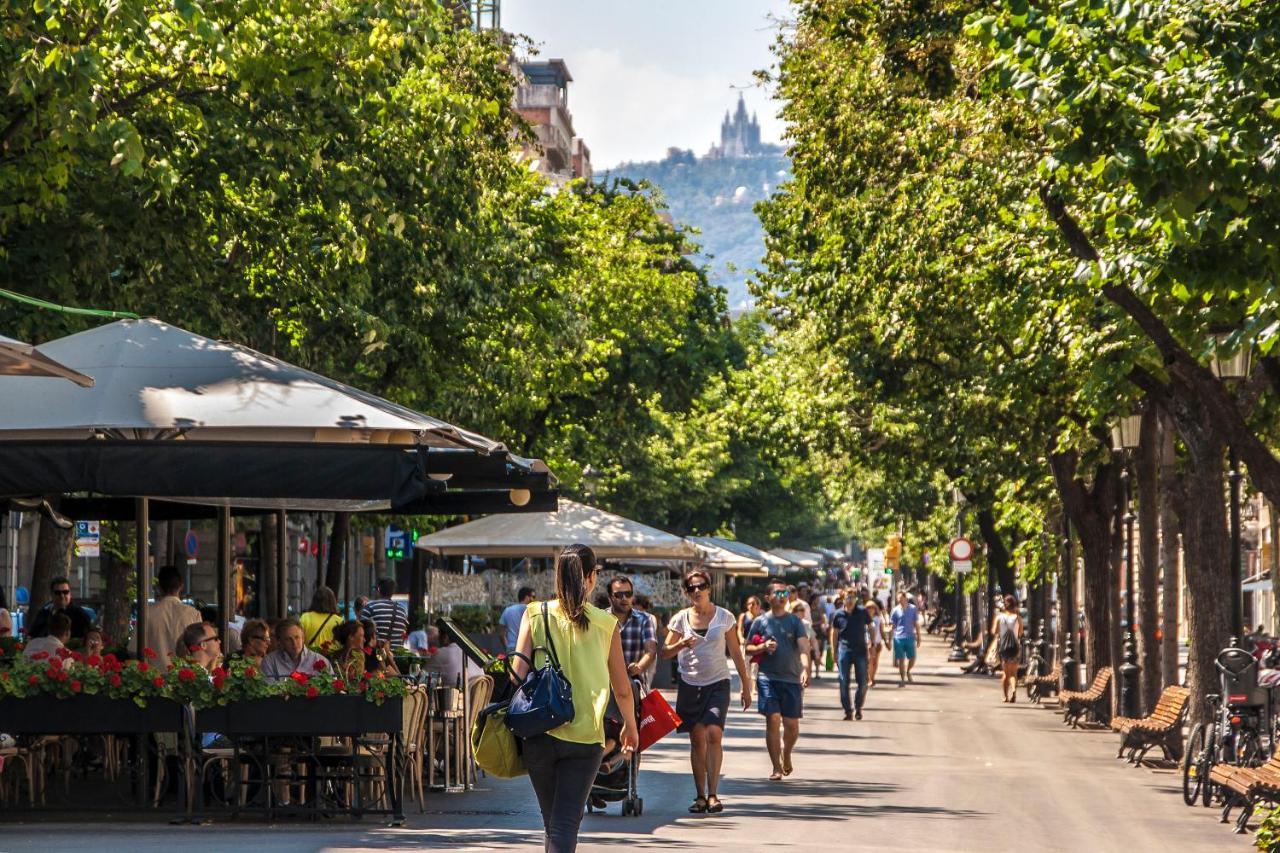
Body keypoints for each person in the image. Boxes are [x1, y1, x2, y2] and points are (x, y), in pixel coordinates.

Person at [511, 544, 638, 853]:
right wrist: (631, 726)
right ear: (593, 578)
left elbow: (516, 673)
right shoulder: (606, 624)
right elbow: (622, 688)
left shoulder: (535, 614)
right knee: (566, 821)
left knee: (551, 821)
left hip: (539, 728)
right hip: (585, 735)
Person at [663, 569, 751, 814]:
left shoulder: (724, 617)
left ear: (709, 588)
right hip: (690, 684)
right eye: (691, 588)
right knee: (697, 738)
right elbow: (665, 651)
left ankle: (713, 794)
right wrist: (680, 644)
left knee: (714, 733)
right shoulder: (680, 619)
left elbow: (735, 652)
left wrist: (746, 685)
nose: (697, 591)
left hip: (717, 683)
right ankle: (700, 795)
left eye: (701, 586)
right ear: (687, 592)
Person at [745, 579, 810, 782]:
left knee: (791, 725)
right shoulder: (760, 622)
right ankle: (776, 767)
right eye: (778, 594)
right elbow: (747, 648)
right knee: (772, 719)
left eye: (784, 594)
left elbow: (803, 648)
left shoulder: (794, 622)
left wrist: (805, 668)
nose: (782, 597)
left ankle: (787, 752)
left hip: (791, 679)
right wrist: (763, 647)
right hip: (768, 677)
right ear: (768, 597)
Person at [829, 590, 872, 720]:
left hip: (860, 651)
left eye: (853, 597)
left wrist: (872, 643)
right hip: (844, 650)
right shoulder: (838, 614)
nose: (850, 600)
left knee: (863, 682)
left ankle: (858, 707)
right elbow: (834, 633)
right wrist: (834, 651)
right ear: (843, 599)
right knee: (843, 681)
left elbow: (871, 627)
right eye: (848, 597)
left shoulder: (863, 612)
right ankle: (848, 710)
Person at [608, 576, 656, 682]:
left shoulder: (645, 619)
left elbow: (651, 651)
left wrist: (638, 667)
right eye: (619, 595)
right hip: (605, 684)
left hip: (634, 682)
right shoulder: (601, 619)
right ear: (610, 598)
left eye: (628, 594)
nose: (624, 598)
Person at [260, 618, 331, 680]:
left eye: (297, 637)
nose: (294, 643)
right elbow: (268, 693)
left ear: (303, 638)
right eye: (288, 639)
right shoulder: (270, 661)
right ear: (280, 642)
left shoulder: (320, 660)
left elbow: (334, 691)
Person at [28, 576, 92, 640]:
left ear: (70, 594)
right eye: (57, 593)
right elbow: (33, 635)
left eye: (65, 592)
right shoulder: (44, 612)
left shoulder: (79, 614)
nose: (62, 596)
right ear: (52, 594)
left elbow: (89, 636)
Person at [360, 577, 408, 646]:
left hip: (376, 654)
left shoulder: (370, 606)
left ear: (379, 590)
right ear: (393, 592)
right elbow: (404, 632)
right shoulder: (402, 610)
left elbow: (361, 629)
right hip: (397, 654)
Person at [994, 594, 1024, 703]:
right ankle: (1014, 690)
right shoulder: (1018, 618)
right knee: (1013, 673)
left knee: (1006, 673)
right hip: (1015, 648)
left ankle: (1005, 696)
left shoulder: (999, 617)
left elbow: (994, 631)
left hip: (1004, 648)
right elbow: (1020, 633)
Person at [890, 590, 920, 686]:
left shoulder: (913, 609)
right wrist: (889, 639)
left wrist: (919, 636)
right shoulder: (895, 610)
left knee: (912, 657)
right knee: (901, 659)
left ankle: (908, 671)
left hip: (910, 637)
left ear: (905, 598)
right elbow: (893, 625)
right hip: (898, 637)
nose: (899, 600)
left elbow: (916, 623)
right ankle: (902, 679)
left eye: (901, 598)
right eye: (898, 599)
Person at [300, 585, 341, 654]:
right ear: (333, 601)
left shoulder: (305, 617)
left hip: (309, 659)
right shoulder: (338, 621)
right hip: (331, 660)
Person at [632, 593, 660, 688]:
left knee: (646, 681)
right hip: (645, 653)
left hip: (646, 652)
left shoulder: (648, 618)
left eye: (635, 603)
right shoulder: (650, 617)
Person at [500, 587, 535, 652]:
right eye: (533, 596)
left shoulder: (507, 610)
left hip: (511, 647)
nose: (533, 599)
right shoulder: (532, 611)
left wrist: (507, 646)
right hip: (527, 648)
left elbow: (501, 633)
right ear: (527, 597)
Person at [866, 597, 885, 687]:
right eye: (868, 608)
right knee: (869, 661)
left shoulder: (878, 619)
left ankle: (872, 677)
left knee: (875, 661)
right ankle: (869, 678)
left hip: (877, 642)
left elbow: (882, 631)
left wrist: (886, 641)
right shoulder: (863, 618)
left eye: (872, 608)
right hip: (866, 643)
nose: (870, 610)